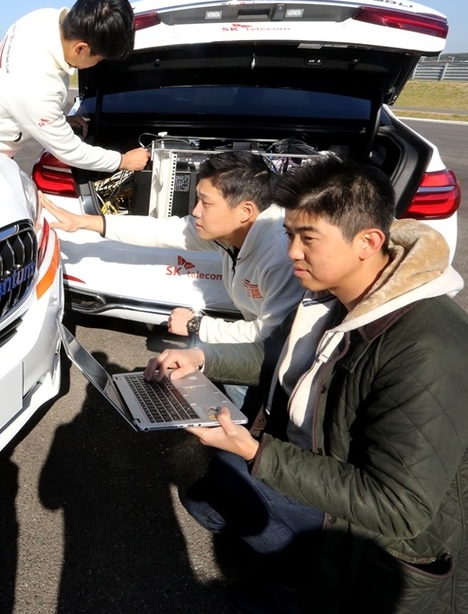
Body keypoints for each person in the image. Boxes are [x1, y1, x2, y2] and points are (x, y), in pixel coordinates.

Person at [148, 156, 468, 613]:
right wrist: (200, 356)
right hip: (321, 460)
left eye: (308, 239)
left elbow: (399, 508)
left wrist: (257, 453)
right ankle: (294, 570)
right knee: (205, 480)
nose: (293, 252)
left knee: (211, 476)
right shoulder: (335, 292)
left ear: (368, 242)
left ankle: (306, 586)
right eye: (289, 235)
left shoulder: (425, 348)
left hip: (385, 540)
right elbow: (278, 355)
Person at [41, 150, 304, 410]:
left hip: (289, 358)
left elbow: (269, 340)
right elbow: (163, 231)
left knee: (211, 351)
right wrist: (83, 221)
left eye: (206, 203)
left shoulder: (280, 256)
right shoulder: (238, 230)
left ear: (245, 210)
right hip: (264, 341)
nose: (196, 211)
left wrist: (197, 324)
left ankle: (252, 436)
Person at [0, 0, 150, 173]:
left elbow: (25, 100)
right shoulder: (37, 86)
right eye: (99, 59)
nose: (99, 64)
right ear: (81, 48)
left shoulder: (40, 19)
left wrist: (57, 120)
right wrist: (123, 161)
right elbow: (70, 151)